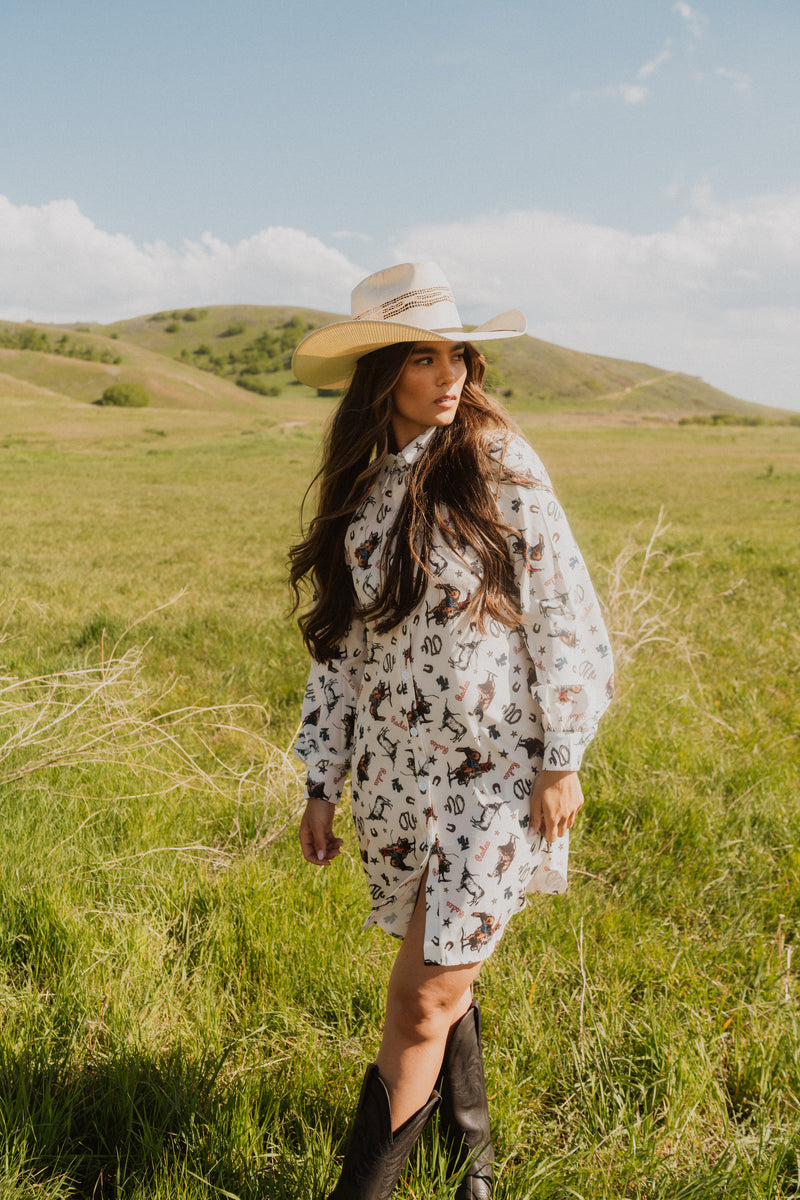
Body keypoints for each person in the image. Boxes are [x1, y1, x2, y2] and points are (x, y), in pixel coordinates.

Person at [289, 262, 614, 1200]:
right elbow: (340, 652)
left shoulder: (499, 461)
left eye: (458, 355)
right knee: (440, 978)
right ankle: (471, 1171)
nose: (451, 375)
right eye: (424, 358)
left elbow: (565, 612)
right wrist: (322, 778)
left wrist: (564, 754)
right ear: (381, 373)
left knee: (420, 995)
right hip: (396, 779)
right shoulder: (363, 489)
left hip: (497, 779)